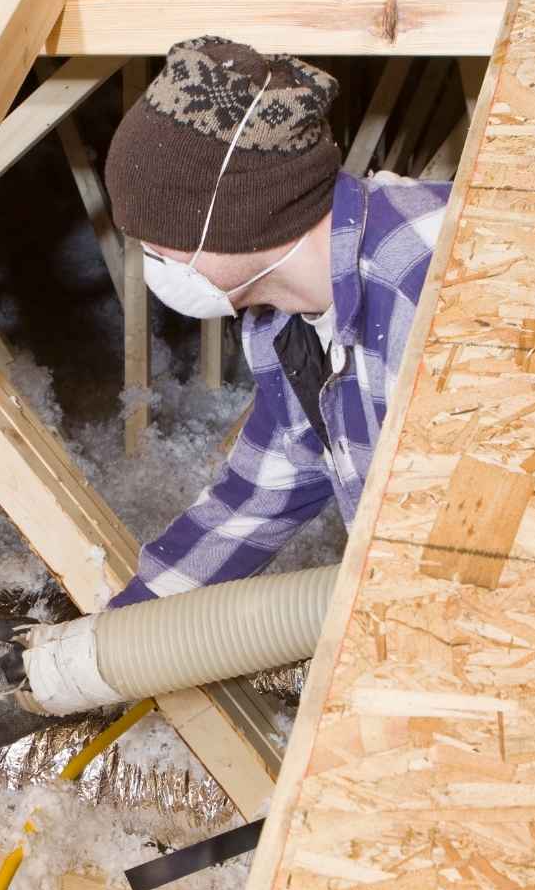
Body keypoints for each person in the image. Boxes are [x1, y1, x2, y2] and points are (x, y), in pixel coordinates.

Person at [103, 35, 449, 613]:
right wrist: (107, 645)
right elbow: (263, 493)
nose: (147, 258)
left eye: (154, 238)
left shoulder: (429, 278)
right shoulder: (284, 322)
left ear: (229, 218)